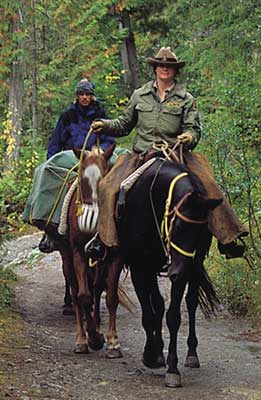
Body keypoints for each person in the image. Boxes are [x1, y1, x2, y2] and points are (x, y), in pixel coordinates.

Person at [84, 46, 248, 261]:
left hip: (175, 152)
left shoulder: (185, 98)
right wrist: (104, 125)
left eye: (169, 66)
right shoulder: (139, 95)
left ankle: (228, 238)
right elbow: (124, 124)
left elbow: (193, 128)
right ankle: (105, 241)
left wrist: (189, 136)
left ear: (175, 70)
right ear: (155, 68)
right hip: (141, 155)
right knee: (107, 187)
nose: (164, 69)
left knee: (209, 185)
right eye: (161, 65)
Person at [38, 78, 115, 252]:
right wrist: (52, 160)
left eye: (88, 94)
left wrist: (99, 152)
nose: (85, 97)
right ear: (77, 96)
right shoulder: (67, 116)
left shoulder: (101, 113)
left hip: (96, 156)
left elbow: (110, 138)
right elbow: (56, 141)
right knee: (50, 175)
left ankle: (119, 223)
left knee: (120, 169)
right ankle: (50, 226)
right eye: (82, 94)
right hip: (72, 156)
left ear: (92, 96)